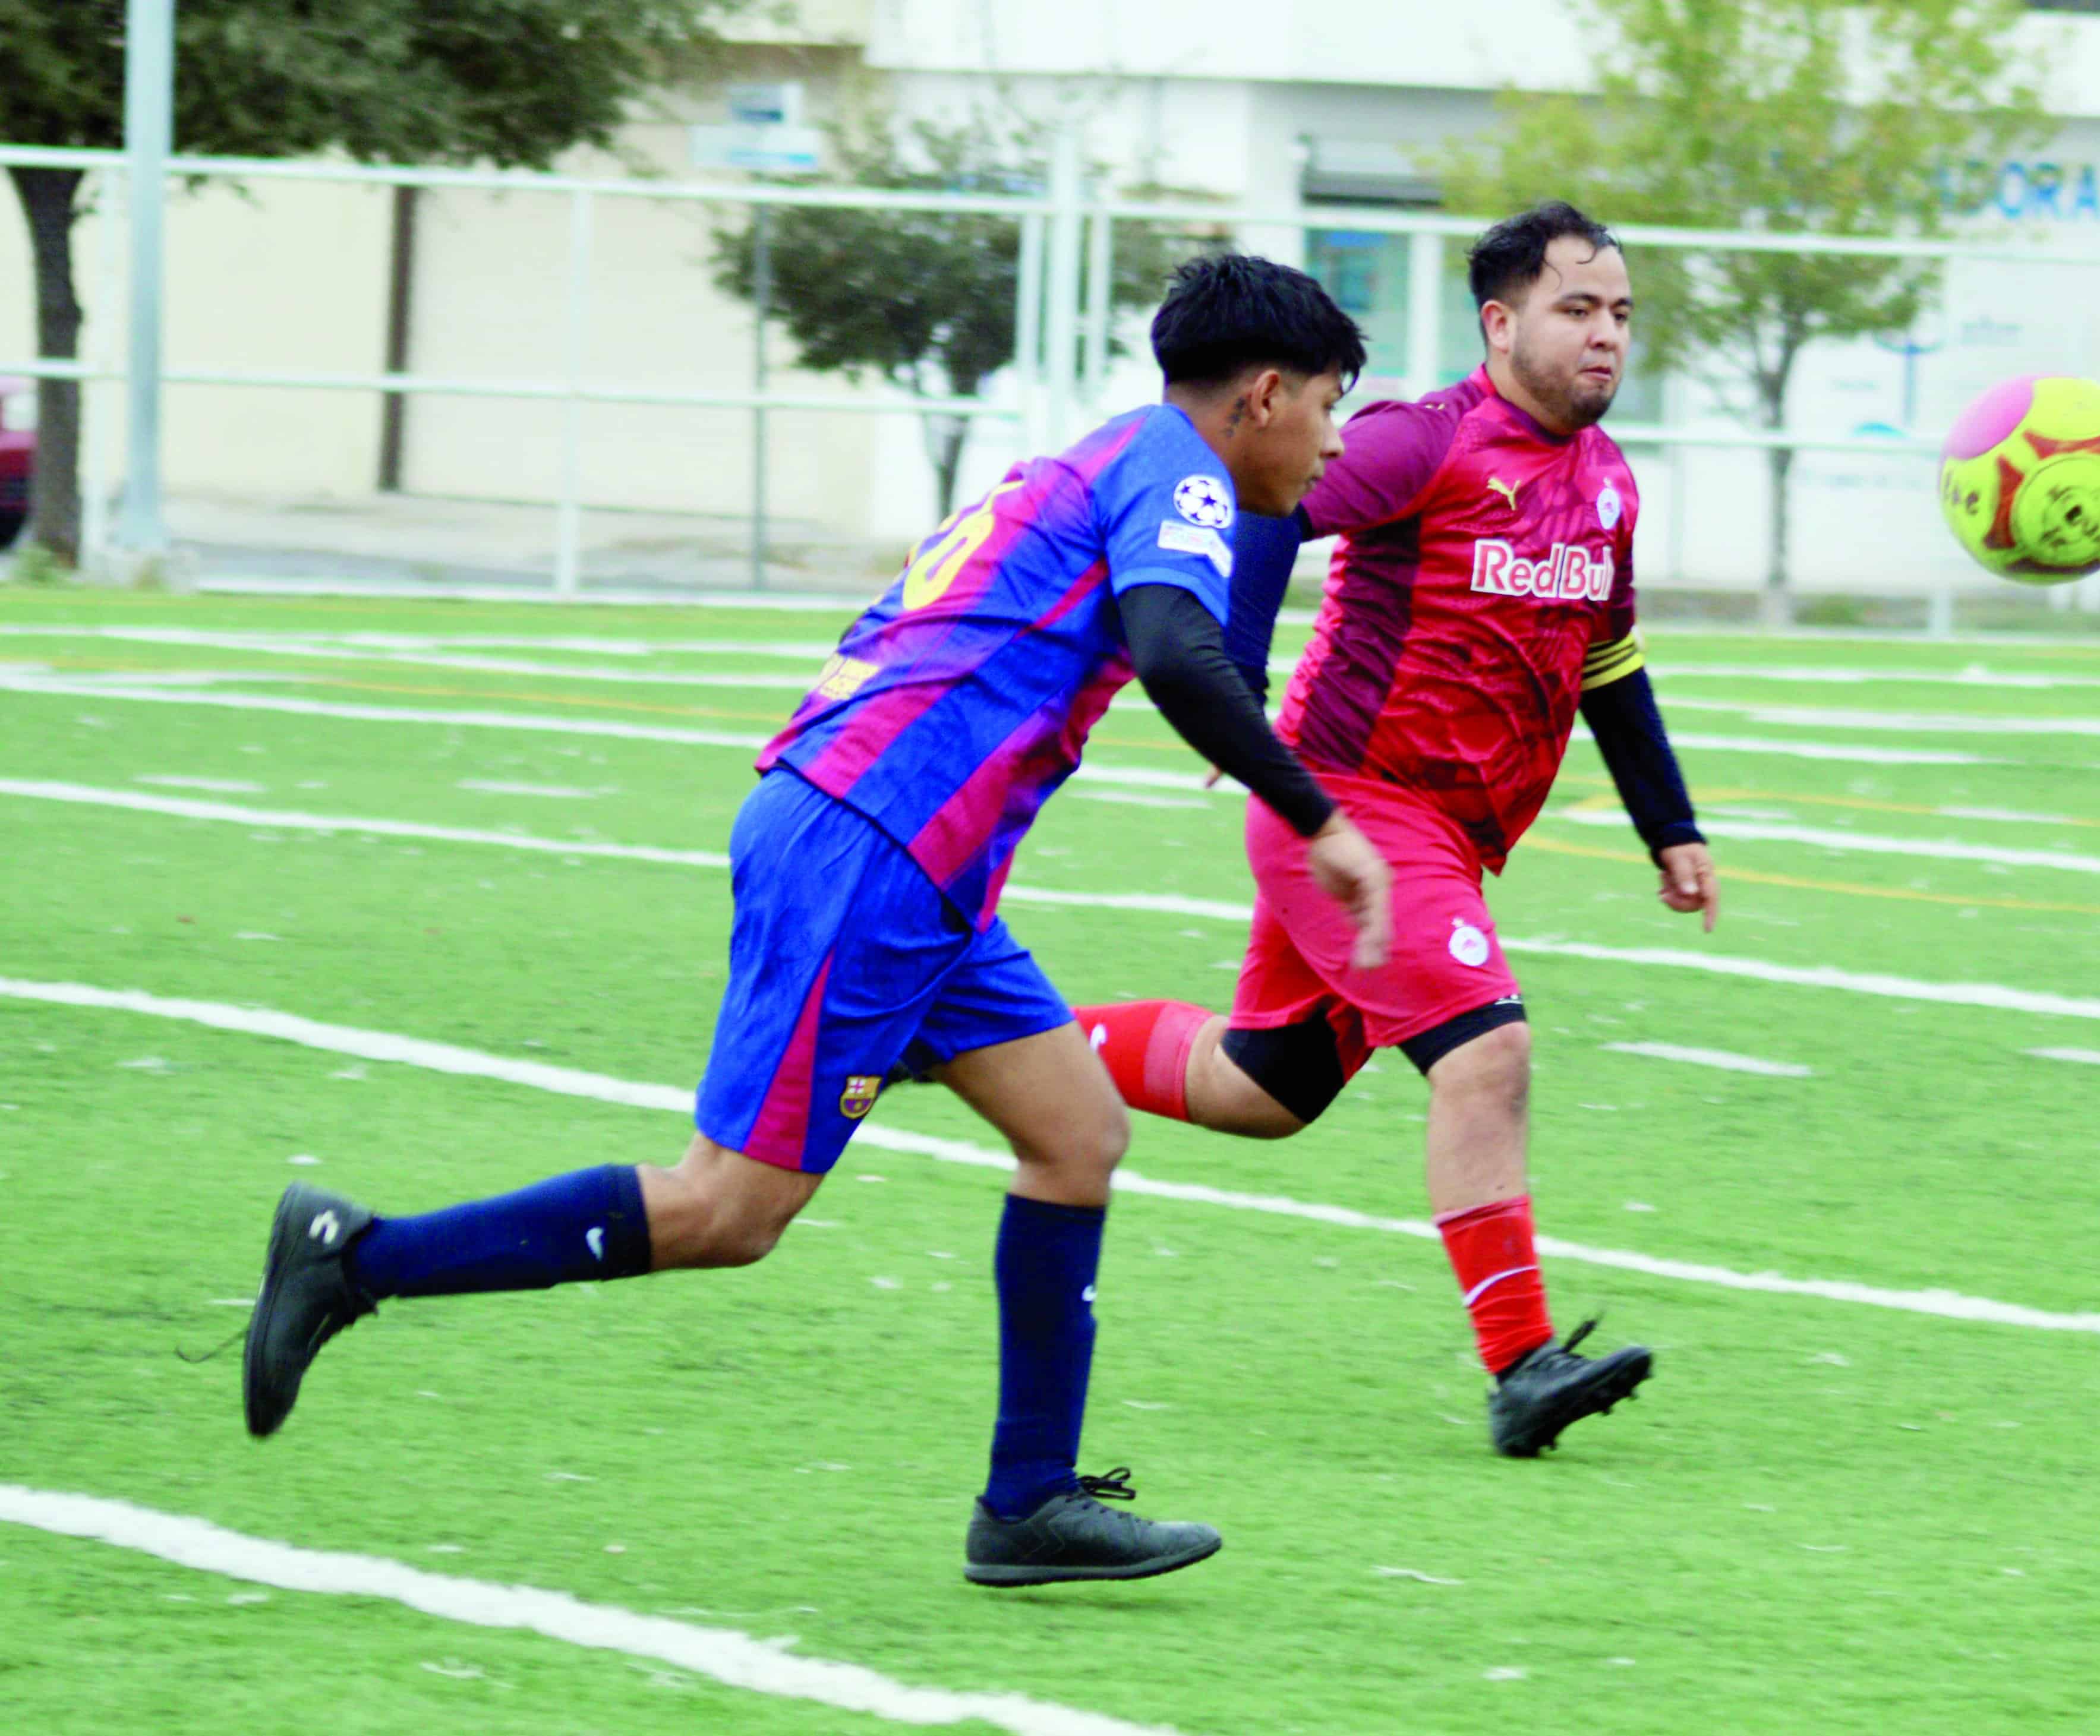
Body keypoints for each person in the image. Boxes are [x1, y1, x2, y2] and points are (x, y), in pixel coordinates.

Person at [239, 254, 1392, 1587]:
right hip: (881, 846)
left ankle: (1028, 1504)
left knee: (1078, 1135)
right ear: (1262, 395)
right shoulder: (1182, 473)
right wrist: (1320, 819)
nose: (1334, 440)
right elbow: (1176, 651)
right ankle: (357, 1260)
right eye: (1329, 404)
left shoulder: (1098, 459)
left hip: (903, 850)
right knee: (729, 1211)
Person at [1072, 204, 1718, 1458]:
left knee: (1261, 1088)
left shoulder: (1609, 481)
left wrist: (1668, 825)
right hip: (1352, 810)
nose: (1605, 338)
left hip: (1446, 838)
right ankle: (1522, 1362)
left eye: (1622, 315)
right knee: (1490, 1054)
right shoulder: (1424, 443)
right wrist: (1233, 678)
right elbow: (1262, 507)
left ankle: (987, 1037)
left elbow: (1612, 663)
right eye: (1576, 311)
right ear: (1500, 321)